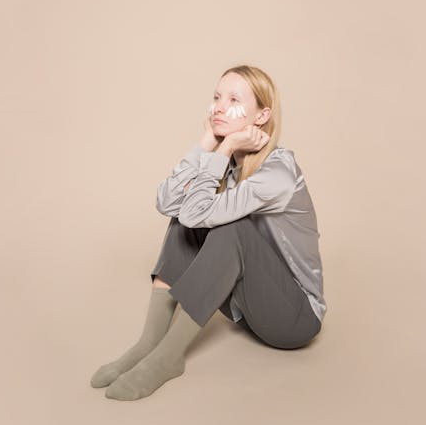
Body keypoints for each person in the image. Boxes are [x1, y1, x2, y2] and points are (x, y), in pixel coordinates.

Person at [90, 64, 326, 400]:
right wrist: (206, 145)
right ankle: (149, 344)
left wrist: (225, 147)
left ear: (261, 116)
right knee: (185, 217)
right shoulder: (229, 164)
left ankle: (168, 357)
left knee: (233, 229)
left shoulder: (278, 174)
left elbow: (199, 212)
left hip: (293, 319)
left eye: (233, 99)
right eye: (216, 97)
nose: (218, 106)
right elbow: (168, 202)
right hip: (251, 310)